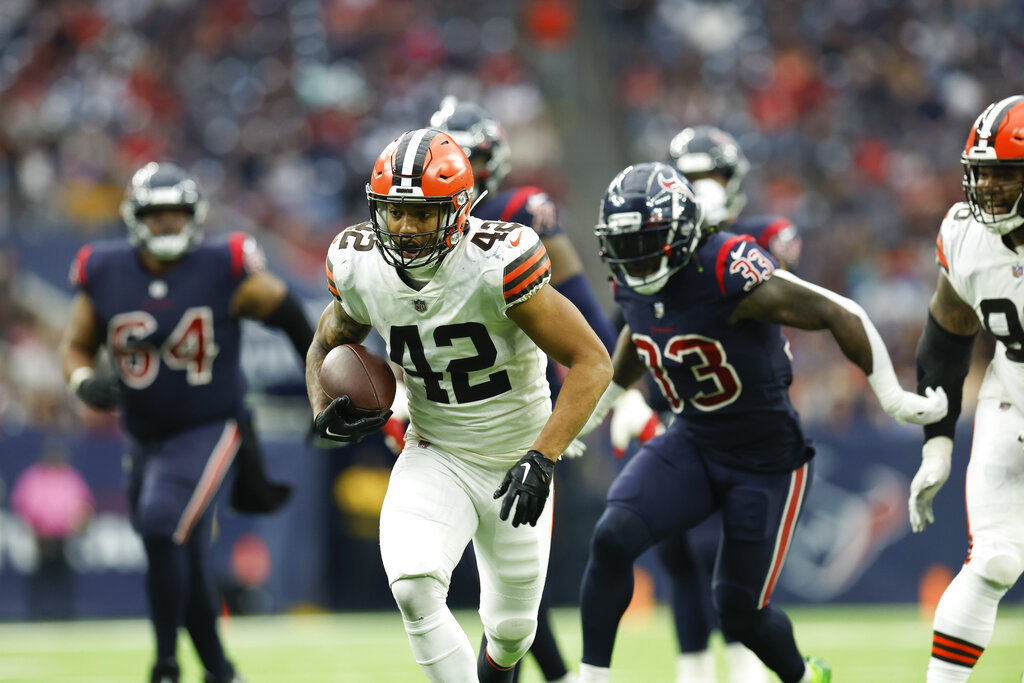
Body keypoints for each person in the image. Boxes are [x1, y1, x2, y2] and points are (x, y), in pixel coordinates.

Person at [575, 162, 948, 683]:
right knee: (613, 535)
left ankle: (801, 676)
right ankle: (589, 679)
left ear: (682, 234)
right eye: (625, 241)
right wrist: (588, 414)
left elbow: (839, 312)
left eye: (647, 239)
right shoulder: (636, 278)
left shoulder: (725, 266)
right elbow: (637, 338)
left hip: (766, 460)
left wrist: (891, 397)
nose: (634, 254)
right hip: (693, 439)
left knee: (738, 611)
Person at [305, 128, 612, 683]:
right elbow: (327, 341)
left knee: (515, 631)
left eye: (422, 214)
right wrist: (321, 403)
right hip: (435, 449)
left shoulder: (498, 261)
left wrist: (543, 457)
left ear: (460, 209)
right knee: (414, 583)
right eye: (394, 212)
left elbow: (593, 361)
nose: (405, 226)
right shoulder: (358, 264)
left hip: (516, 456)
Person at [58, 161, 314, 683]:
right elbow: (76, 344)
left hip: (211, 423)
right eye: (156, 216)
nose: (168, 225)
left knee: (159, 522)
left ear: (195, 218)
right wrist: (83, 381)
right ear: (134, 218)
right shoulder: (104, 268)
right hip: (145, 433)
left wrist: (320, 388)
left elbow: (290, 315)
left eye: (176, 215)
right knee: (183, 552)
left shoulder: (224, 265)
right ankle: (220, 671)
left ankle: (166, 664)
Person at [429, 96, 637, 683]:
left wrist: (591, 408)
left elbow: (591, 329)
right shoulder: (410, 225)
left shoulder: (522, 213)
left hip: (520, 415)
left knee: (517, 573)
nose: (454, 168)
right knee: (492, 579)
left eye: (468, 157)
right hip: (443, 416)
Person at [908, 95, 1024, 682]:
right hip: (1013, 401)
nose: (987, 190)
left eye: (1004, 176)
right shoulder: (965, 236)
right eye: (981, 174)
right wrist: (938, 442)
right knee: (994, 560)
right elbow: (948, 333)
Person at [10, 441, 93, 620]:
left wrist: (77, 521)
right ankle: (36, 614)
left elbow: (83, 505)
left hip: (63, 538)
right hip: (39, 538)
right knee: (39, 578)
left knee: (63, 578)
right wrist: (35, 526)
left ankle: (65, 614)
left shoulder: (70, 477)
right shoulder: (34, 477)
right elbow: (23, 504)